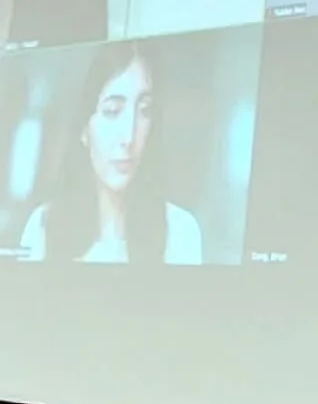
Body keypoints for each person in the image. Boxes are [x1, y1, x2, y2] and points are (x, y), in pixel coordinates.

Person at [18, 40, 201, 265]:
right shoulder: (42, 227)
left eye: (144, 111)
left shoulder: (181, 231)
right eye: (112, 111)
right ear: (84, 129)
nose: (128, 137)